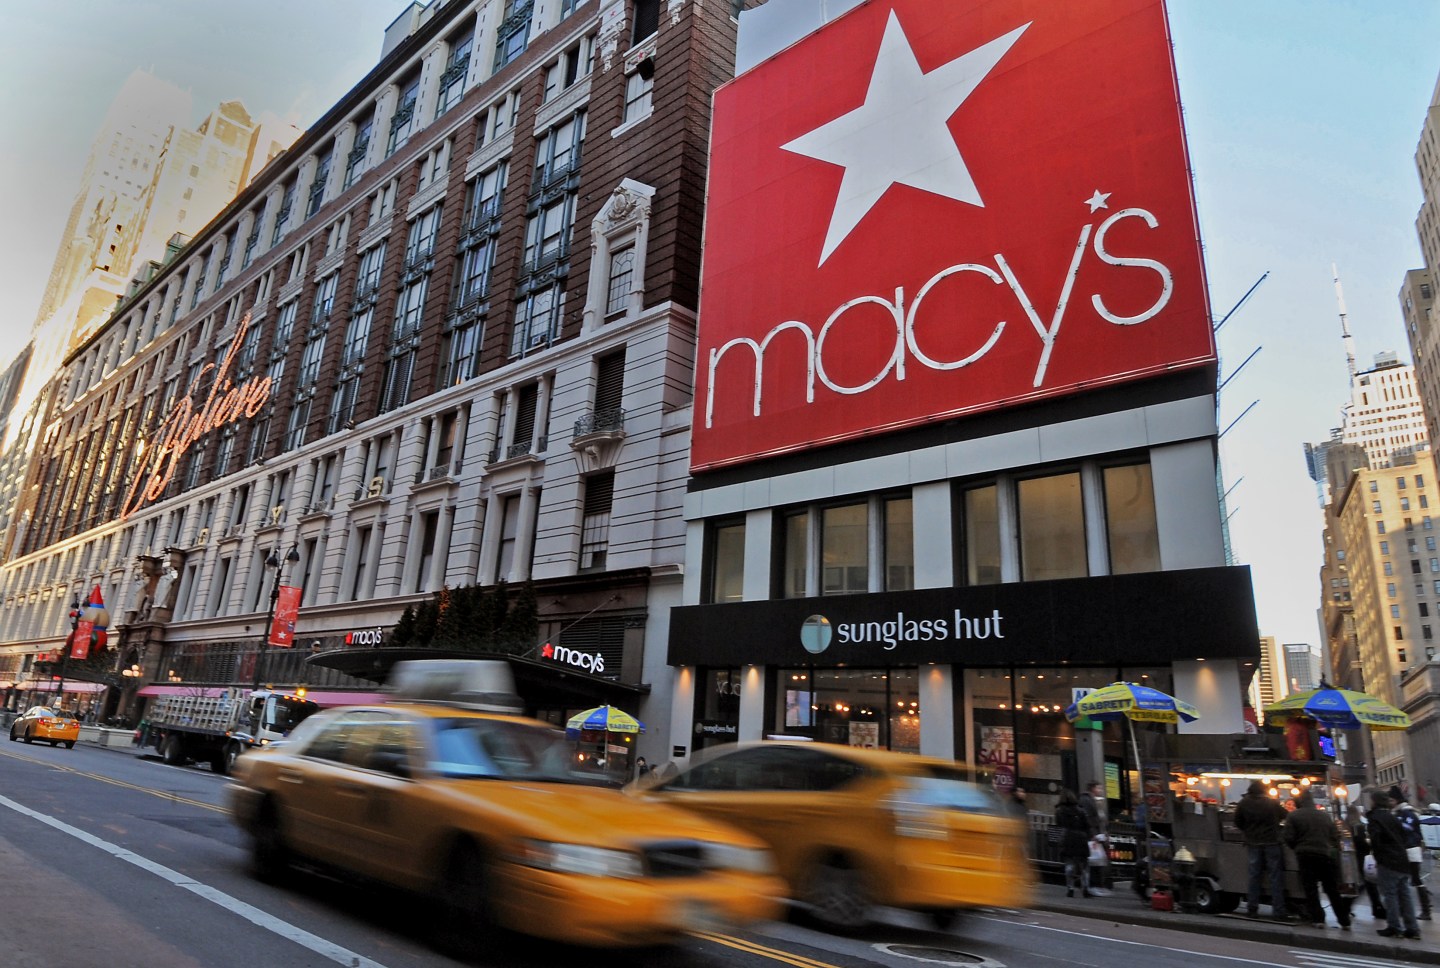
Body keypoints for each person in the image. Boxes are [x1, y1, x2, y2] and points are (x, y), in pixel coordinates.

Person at [1283, 790, 1352, 929]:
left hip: (1304, 855)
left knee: (1311, 888)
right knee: (1331, 889)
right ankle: (1344, 920)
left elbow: (1288, 837)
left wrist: (1296, 847)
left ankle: (1318, 919)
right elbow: (1334, 836)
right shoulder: (1324, 816)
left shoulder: (1293, 816)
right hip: (1324, 854)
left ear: (1298, 802)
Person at [1369, 788, 1422, 939]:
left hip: (1388, 861)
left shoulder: (1375, 818)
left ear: (1374, 801)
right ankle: (1412, 928)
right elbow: (1404, 837)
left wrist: (1378, 855)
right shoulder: (1393, 817)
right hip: (1402, 859)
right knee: (1405, 895)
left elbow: (1376, 840)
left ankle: (1394, 926)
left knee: (1390, 895)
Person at [1235, 779, 1291, 919]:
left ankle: (1252, 909)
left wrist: (1248, 831)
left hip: (1253, 843)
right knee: (1275, 877)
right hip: (1272, 843)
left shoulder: (1244, 803)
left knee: (1254, 876)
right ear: (1263, 790)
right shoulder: (1271, 803)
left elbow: (1237, 822)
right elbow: (1286, 815)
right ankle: (1278, 911)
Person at [1390, 786, 1432, 921]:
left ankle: (1425, 909)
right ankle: (1419, 908)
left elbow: (1406, 830)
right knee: (1409, 880)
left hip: (1410, 850)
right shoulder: (1399, 813)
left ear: (1396, 800)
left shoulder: (1407, 814)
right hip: (1406, 850)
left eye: (1391, 800)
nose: (1389, 802)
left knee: (1413, 879)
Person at [1351, 806, 1388, 922]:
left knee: (1367, 885)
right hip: (1363, 858)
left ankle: (1376, 908)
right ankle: (1377, 908)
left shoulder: (1351, 825)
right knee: (1368, 885)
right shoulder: (1358, 827)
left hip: (1357, 858)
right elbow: (1362, 843)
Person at [1055, 789, 1093, 898]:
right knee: (1084, 865)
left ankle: (1070, 888)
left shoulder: (1059, 811)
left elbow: (1058, 825)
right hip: (1081, 838)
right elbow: (1087, 825)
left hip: (1067, 838)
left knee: (1069, 864)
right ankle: (1085, 888)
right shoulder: (1080, 810)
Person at [1079, 781, 1110, 894]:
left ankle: (1097, 885)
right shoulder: (1086, 800)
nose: (1100, 790)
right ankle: (1092, 885)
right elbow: (1089, 818)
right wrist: (1093, 834)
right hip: (1093, 835)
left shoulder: (1096, 800)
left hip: (1098, 834)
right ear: (1092, 788)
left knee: (1099, 860)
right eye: (1098, 788)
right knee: (1094, 861)